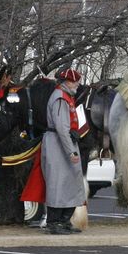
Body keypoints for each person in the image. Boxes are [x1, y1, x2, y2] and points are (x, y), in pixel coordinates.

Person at [42, 68, 86, 235]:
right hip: (58, 144)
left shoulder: (66, 97)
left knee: (70, 182)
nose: (78, 84)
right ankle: (54, 222)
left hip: (64, 142)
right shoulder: (60, 98)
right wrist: (71, 152)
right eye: (75, 81)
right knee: (58, 183)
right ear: (67, 82)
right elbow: (61, 128)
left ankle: (64, 220)